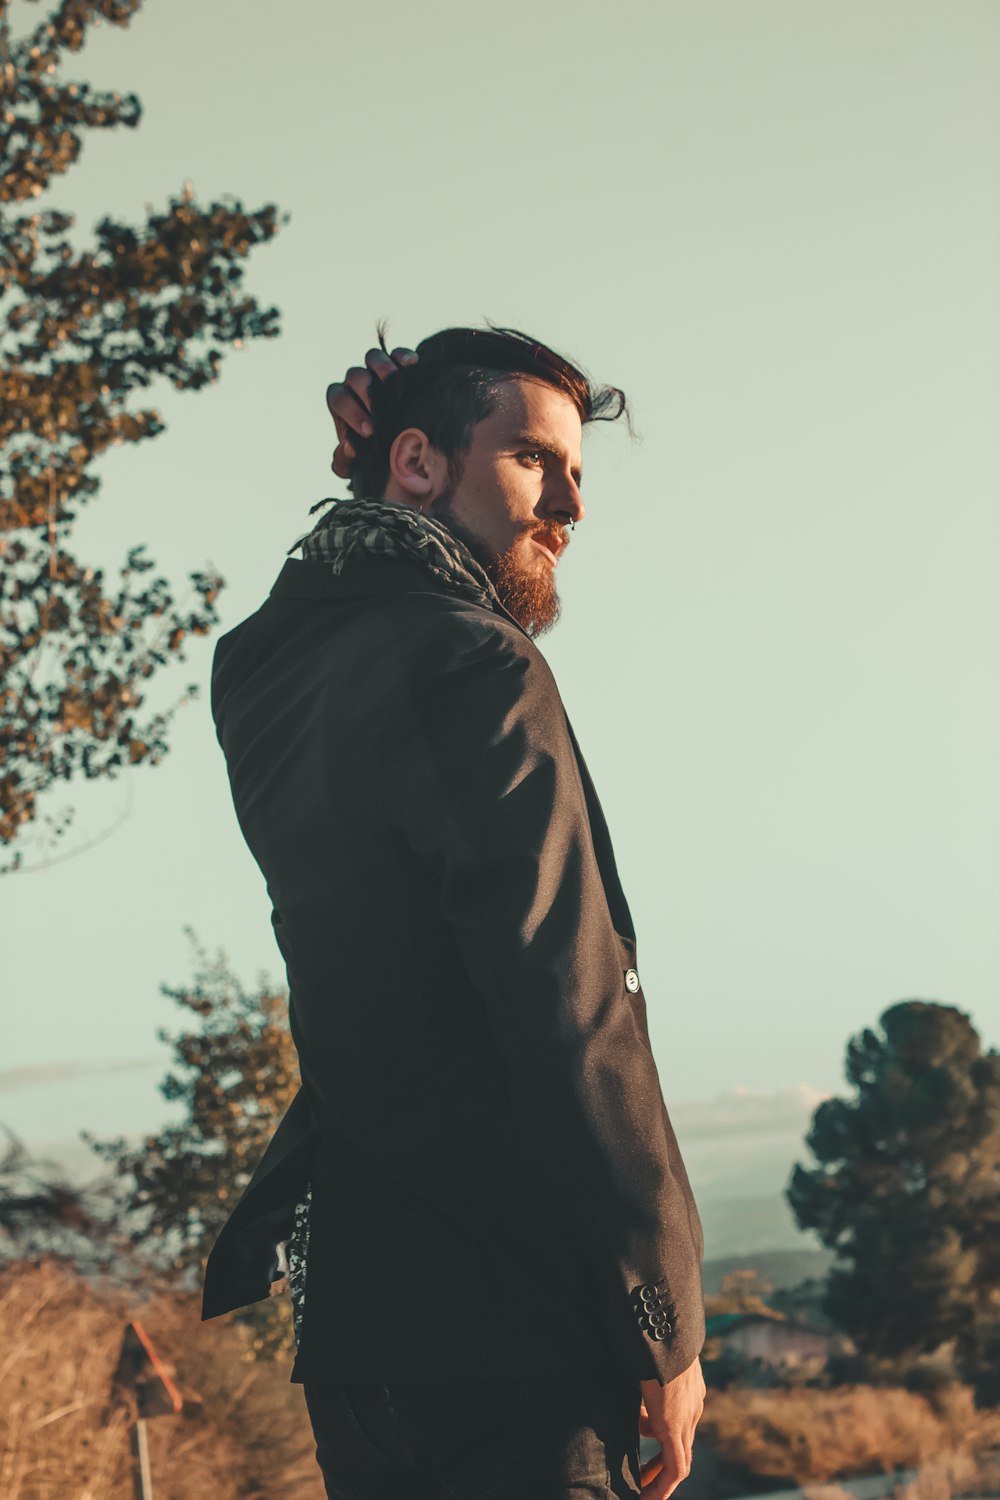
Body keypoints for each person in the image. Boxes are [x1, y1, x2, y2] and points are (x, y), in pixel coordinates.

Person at [201, 321, 707, 1499]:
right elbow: (567, 1003)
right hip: (512, 1338)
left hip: (361, 1345)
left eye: (577, 472)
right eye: (536, 460)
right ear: (422, 463)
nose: (570, 506)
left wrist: (390, 468)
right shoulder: (474, 662)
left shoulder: (265, 668)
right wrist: (664, 1321)